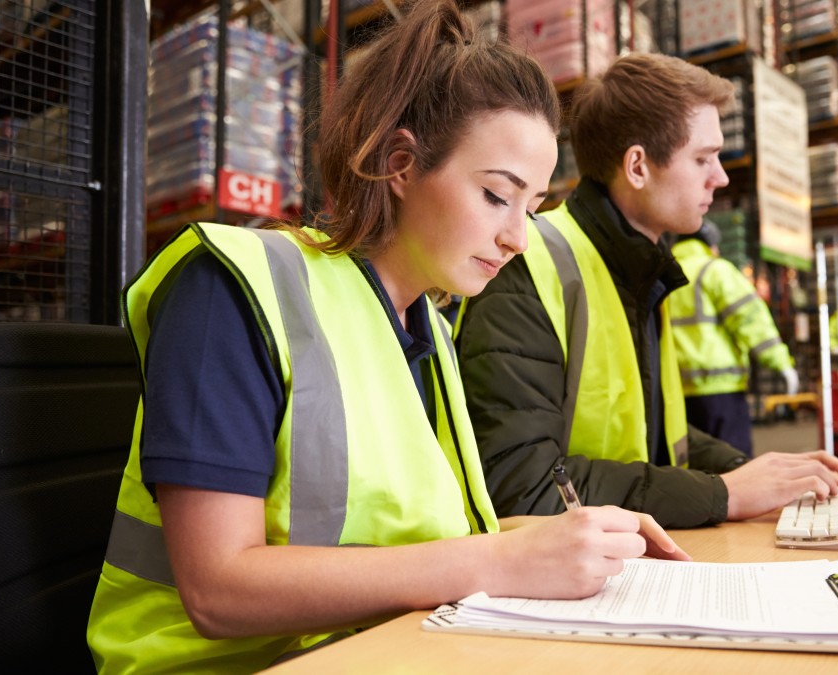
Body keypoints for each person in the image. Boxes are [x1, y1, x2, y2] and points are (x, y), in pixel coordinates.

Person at [86, 3, 688, 672]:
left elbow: (431, 539)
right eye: (496, 195)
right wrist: (496, 557)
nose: (518, 238)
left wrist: (573, 533)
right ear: (401, 164)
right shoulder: (234, 287)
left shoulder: (426, 326)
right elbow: (219, 589)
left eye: (533, 206)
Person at [455, 53, 838, 531]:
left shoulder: (642, 272)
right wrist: (723, 493)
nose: (720, 177)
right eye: (703, 158)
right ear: (638, 166)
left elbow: (658, 440)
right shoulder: (526, 266)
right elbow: (524, 486)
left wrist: (757, 472)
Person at [667, 219, 798, 456]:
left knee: (692, 468)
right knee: (733, 462)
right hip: (720, 390)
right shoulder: (714, 270)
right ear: (710, 244)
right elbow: (749, 319)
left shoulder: (663, 273)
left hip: (676, 393)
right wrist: (781, 363)